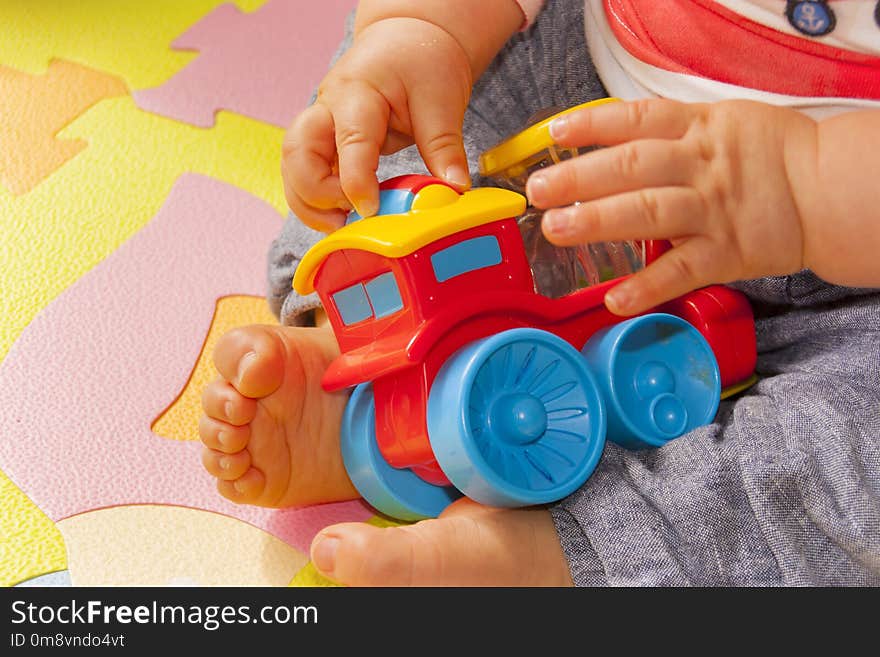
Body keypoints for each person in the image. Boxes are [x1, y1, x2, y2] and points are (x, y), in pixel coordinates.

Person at [199, 0, 880, 585]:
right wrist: (422, 28)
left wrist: (798, 185)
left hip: (854, 267)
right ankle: (364, 385)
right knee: (400, 102)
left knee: (859, 474)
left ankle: (574, 547)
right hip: (592, 108)